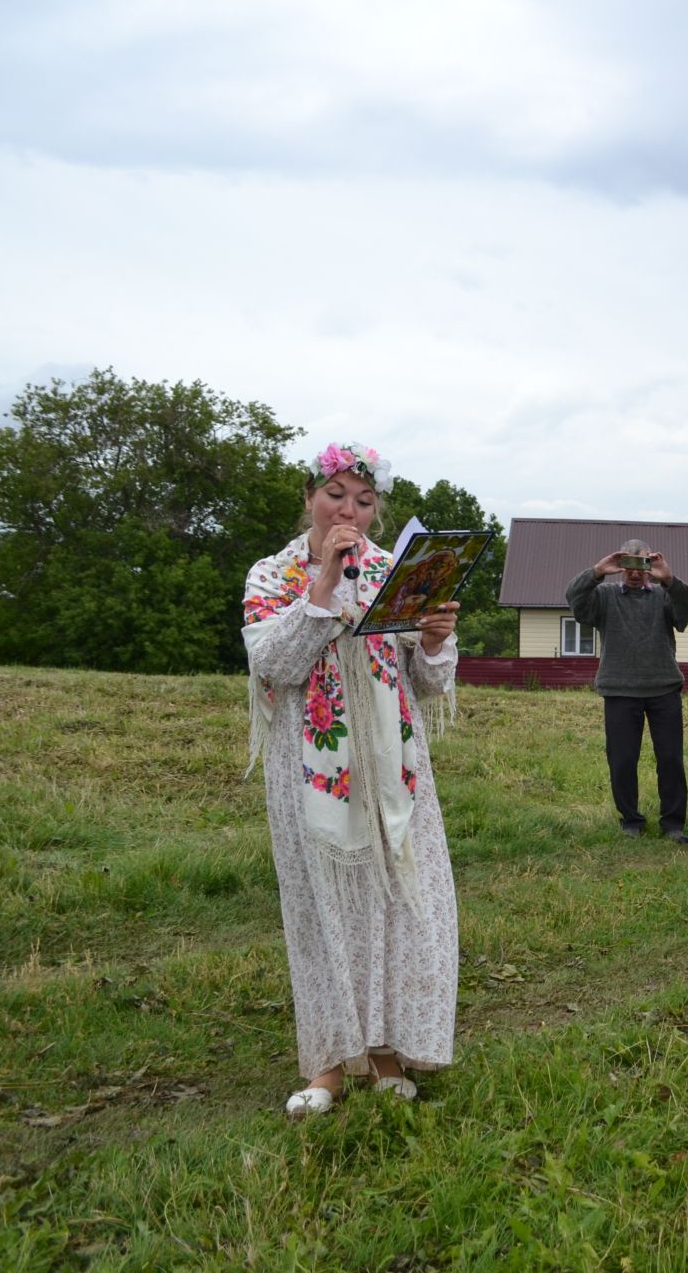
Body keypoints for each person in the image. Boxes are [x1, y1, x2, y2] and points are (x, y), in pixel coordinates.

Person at [242, 441, 461, 1119]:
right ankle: (330, 1062)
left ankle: (388, 1051)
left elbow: (421, 684)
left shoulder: (390, 571)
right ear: (310, 496)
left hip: (392, 763)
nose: (351, 512)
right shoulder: (272, 575)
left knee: (395, 900)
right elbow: (273, 663)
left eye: (365, 502)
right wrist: (321, 591)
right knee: (324, 908)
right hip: (310, 767)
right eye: (337, 495)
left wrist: (430, 641)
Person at [566, 540, 688, 844]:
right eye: (628, 565)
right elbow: (574, 600)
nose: (634, 572)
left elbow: (687, 610)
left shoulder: (663, 597)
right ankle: (631, 820)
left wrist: (668, 579)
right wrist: (597, 571)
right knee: (622, 759)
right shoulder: (603, 596)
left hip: (663, 688)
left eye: (641, 565)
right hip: (619, 690)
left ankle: (673, 825)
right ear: (620, 567)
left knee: (670, 758)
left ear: (649, 567)